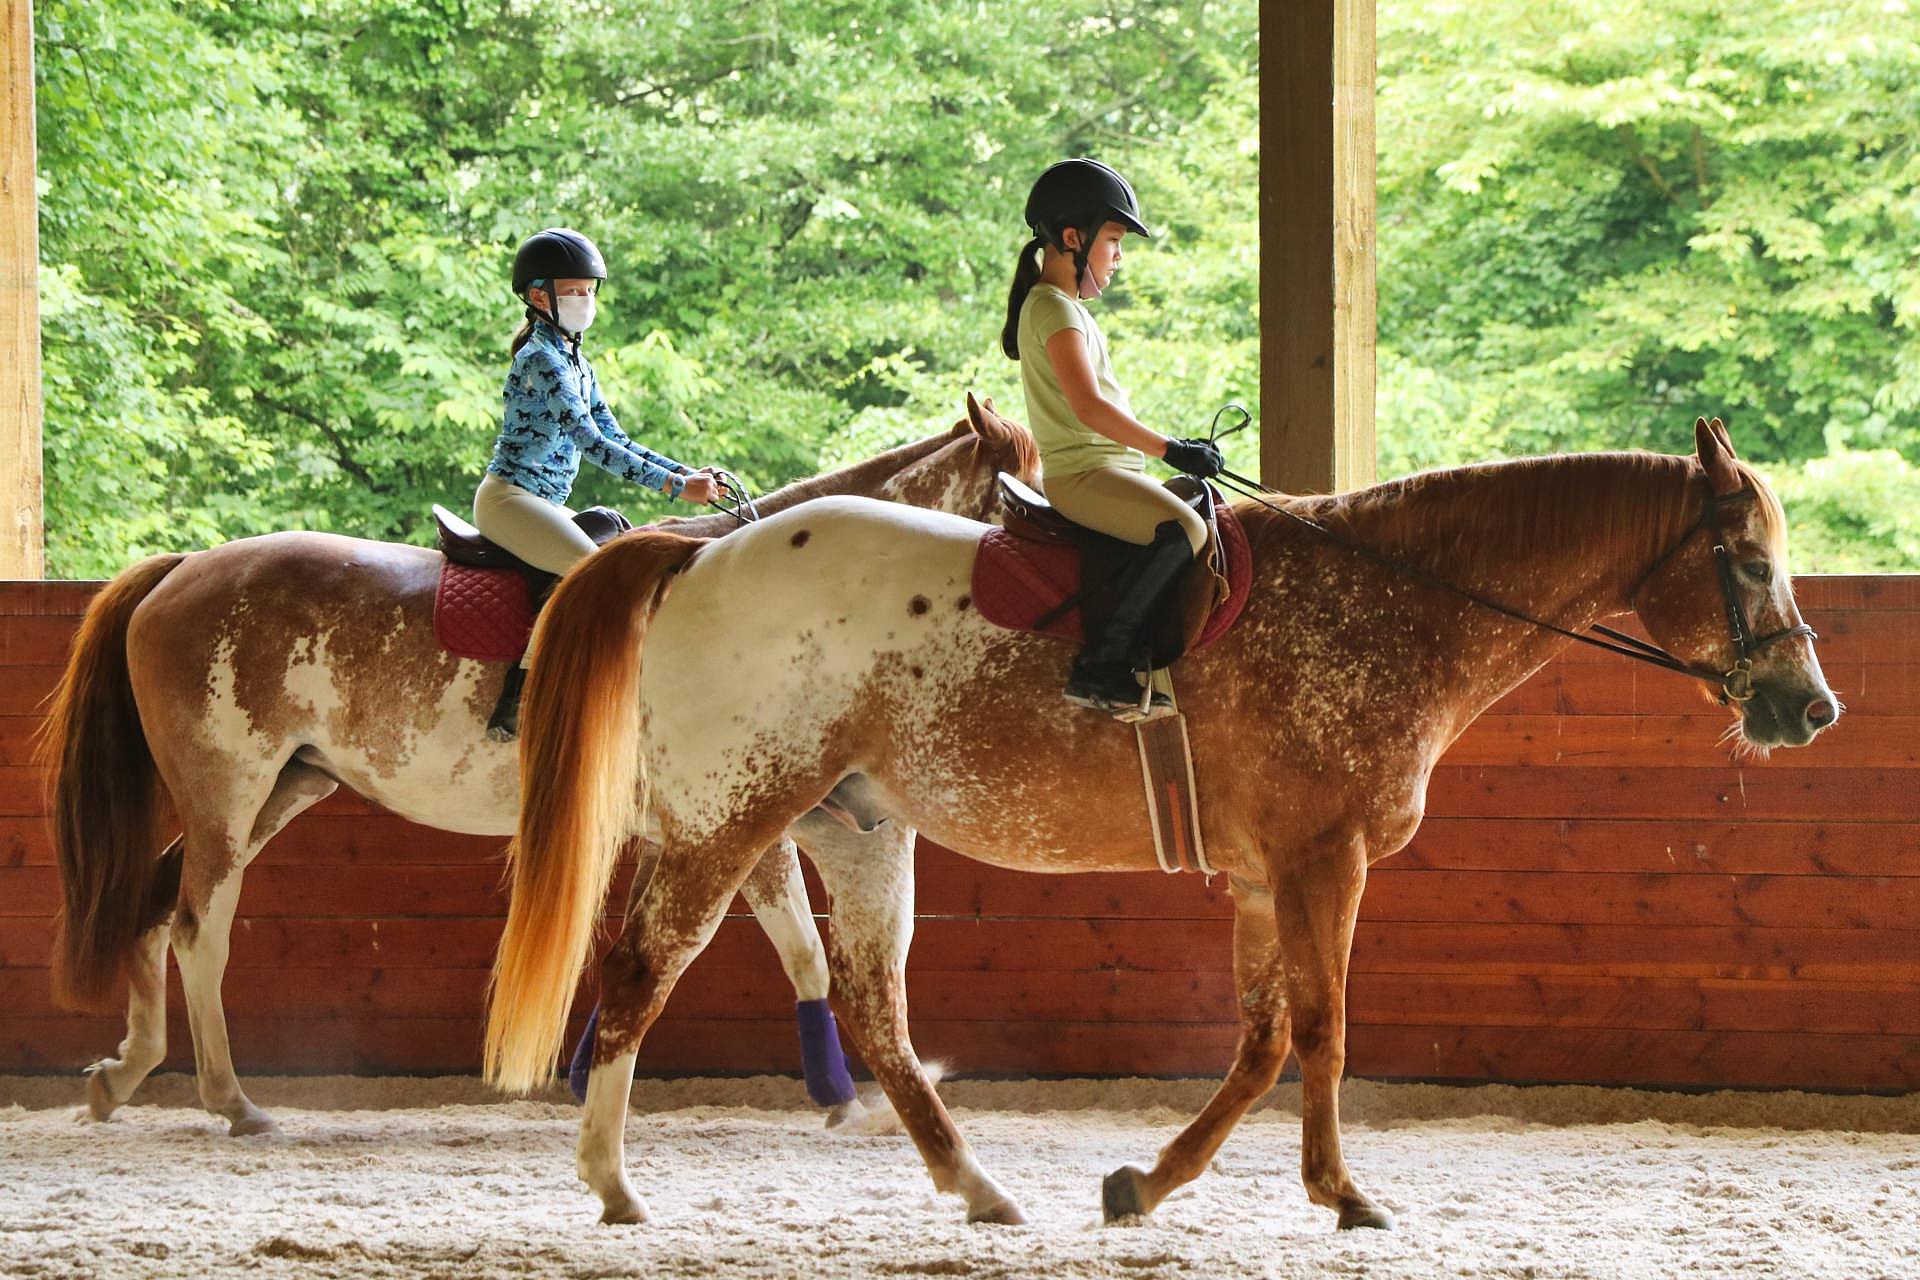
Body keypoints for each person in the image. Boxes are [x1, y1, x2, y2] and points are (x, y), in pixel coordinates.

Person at [476, 227, 719, 740]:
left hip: (542, 501)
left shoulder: (576, 363)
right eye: (574, 291)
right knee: (589, 574)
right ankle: (520, 695)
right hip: (509, 501)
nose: (585, 300)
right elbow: (591, 443)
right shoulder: (541, 360)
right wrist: (677, 490)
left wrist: (685, 473)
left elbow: (616, 436)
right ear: (539, 297)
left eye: (589, 291)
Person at [1002, 159, 1224, 714]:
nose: (1119, 257)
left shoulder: (1064, 308)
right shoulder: (1053, 310)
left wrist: (1172, 449)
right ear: (1072, 238)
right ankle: (1102, 666)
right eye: (1114, 241)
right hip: (1083, 476)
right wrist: (1171, 449)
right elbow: (1090, 408)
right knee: (1185, 529)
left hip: (1106, 470)